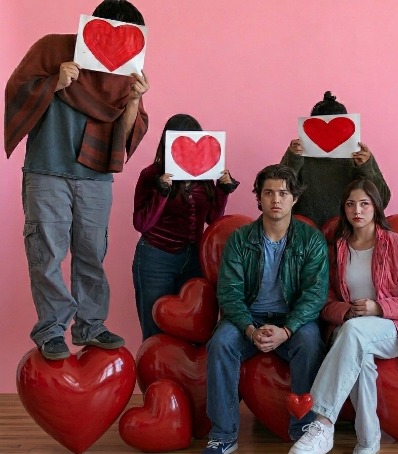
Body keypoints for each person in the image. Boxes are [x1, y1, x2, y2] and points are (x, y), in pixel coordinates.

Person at [4, 0, 149, 360]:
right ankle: (52, 330)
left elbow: (126, 134)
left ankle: (91, 326)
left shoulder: (126, 69)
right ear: (93, 26)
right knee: (46, 253)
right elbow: (15, 91)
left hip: (95, 178)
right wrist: (55, 82)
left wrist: (134, 101)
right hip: (47, 169)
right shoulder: (52, 48)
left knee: (92, 254)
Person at [289, 179, 398, 454]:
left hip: (394, 329)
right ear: (343, 208)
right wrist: (346, 311)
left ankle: (322, 423)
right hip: (350, 329)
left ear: (376, 207)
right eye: (351, 204)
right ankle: (368, 442)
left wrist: (379, 308)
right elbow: (324, 301)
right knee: (360, 359)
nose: (357, 210)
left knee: (354, 332)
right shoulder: (335, 249)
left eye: (364, 204)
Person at [203, 164, 329, 454]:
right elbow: (229, 293)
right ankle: (223, 435)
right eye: (268, 193)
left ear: (295, 198)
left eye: (283, 193)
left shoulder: (311, 240)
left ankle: (304, 431)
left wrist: (287, 330)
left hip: (293, 319)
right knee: (220, 343)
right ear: (259, 198)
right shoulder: (240, 239)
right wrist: (250, 329)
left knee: (310, 343)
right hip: (248, 317)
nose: (276, 199)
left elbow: (315, 294)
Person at [132, 114, 239, 340]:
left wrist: (222, 190)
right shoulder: (151, 175)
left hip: (194, 258)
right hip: (156, 258)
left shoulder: (204, 175)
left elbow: (213, 218)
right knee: (154, 326)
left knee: (195, 326)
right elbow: (142, 224)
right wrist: (162, 193)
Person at [281, 91, 391, 227]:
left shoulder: (359, 155)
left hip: (349, 231)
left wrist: (365, 167)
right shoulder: (298, 152)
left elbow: (382, 200)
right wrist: (294, 159)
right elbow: (279, 194)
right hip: (304, 231)